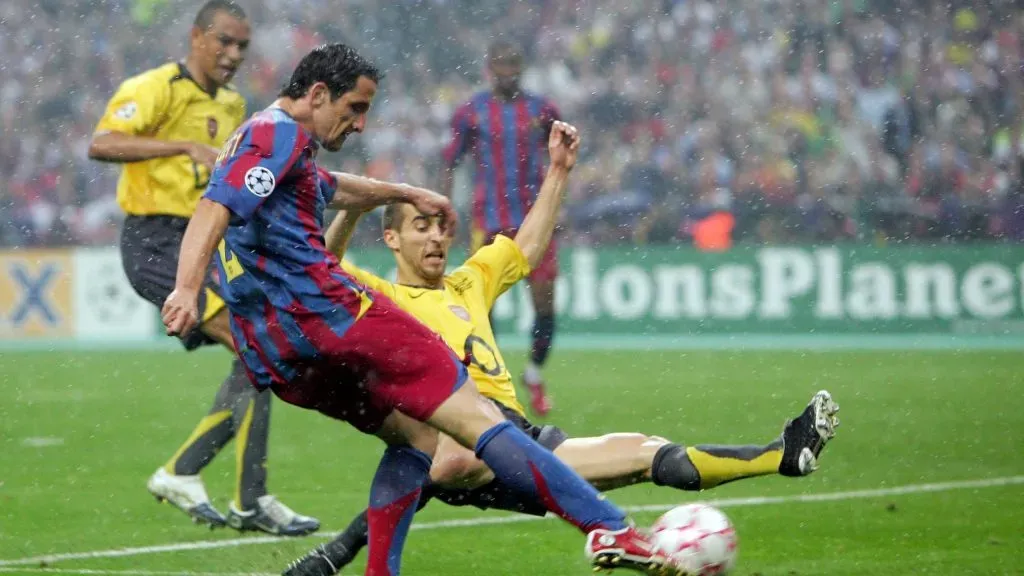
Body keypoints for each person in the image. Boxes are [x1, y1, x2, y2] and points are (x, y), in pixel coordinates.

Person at [161, 42, 682, 576]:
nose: (360, 125)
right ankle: (610, 529)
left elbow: (331, 188)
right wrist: (185, 287)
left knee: (416, 440)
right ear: (317, 94)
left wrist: (406, 191)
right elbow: (214, 207)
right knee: (476, 417)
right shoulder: (277, 133)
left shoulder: (269, 144)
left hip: (277, 354)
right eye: (354, 108)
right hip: (334, 317)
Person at [281, 120, 841, 576]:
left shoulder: (468, 281)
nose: (435, 237)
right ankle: (347, 551)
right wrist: (354, 206)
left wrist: (558, 171)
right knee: (452, 459)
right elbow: (326, 269)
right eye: (420, 227)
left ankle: (780, 456)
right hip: (462, 435)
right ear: (393, 239)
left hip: (517, 438)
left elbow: (525, 245)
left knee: (645, 451)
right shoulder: (381, 295)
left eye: (439, 227)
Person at [88, 0, 318, 535]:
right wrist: (182, 146)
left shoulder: (236, 105)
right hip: (154, 242)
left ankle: (226, 488)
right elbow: (101, 143)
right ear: (196, 37)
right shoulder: (157, 87)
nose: (233, 54)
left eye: (242, 45)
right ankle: (214, 484)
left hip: (204, 240)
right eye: (224, 42)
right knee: (253, 348)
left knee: (262, 349)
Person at [442, 39, 560, 416]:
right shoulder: (471, 113)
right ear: (490, 67)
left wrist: (560, 202)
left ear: (521, 67)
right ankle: (488, 382)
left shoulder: (542, 111)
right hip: (488, 222)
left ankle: (535, 374)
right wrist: (443, 210)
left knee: (544, 304)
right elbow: (451, 161)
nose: (508, 72)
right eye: (501, 64)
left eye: (513, 64)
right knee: (481, 306)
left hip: (534, 222)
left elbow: (561, 157)